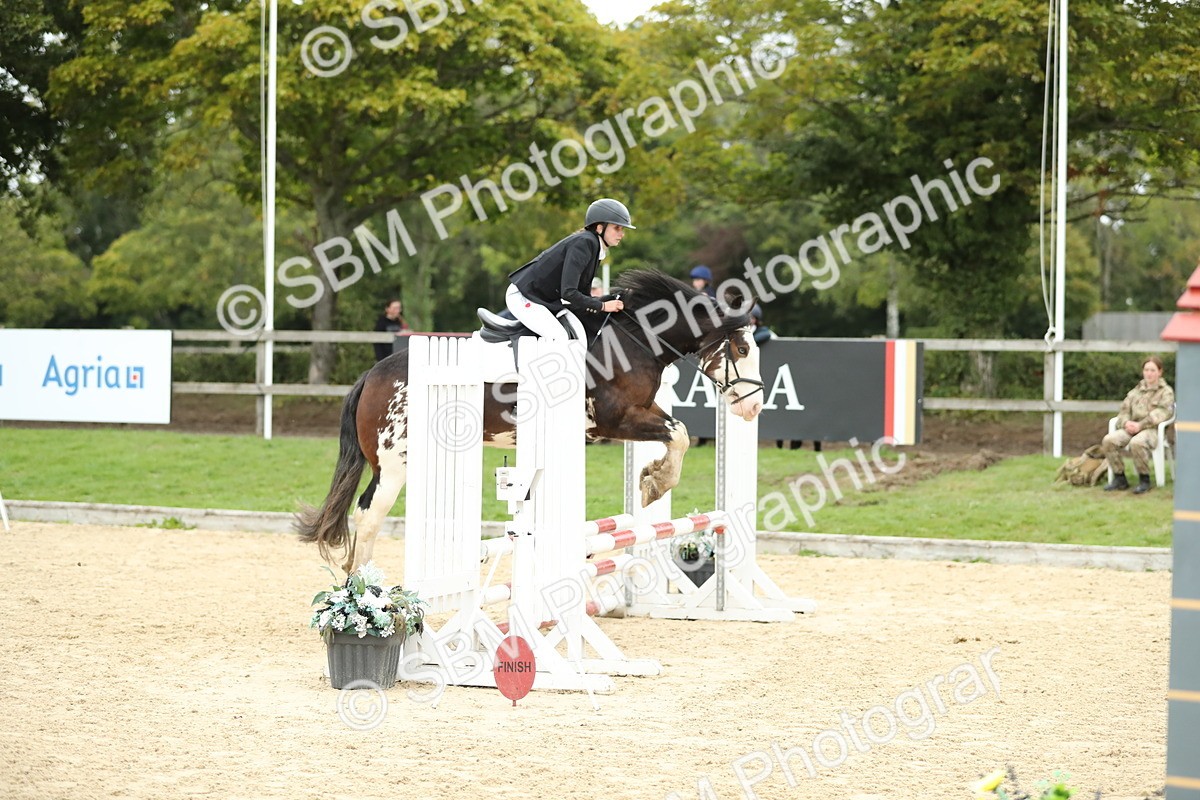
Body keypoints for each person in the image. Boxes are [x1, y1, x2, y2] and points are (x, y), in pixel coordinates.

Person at [506, 198, 629, 340]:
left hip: (542, 300)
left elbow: (582, 294)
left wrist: (609, 301)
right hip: (525, 296)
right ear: (600, 228)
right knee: (559, 337)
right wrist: (603, 306)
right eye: (617, 228)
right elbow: (569, 292)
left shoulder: (594, 246)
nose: (622, 234)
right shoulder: (585, 243)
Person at [1101, 355, 1175, 494]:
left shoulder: (1166, 392)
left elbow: (1163, 413)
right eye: (1146, 370)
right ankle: (1119, 478)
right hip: (1130, 428)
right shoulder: (1135, 392)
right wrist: (1126, 423)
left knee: (1137, 442)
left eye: (1152, 370)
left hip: (1152, 431)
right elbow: (1123, 411)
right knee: (1108, 440)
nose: (1149, 373)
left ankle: (1144, 480)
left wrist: (1140, 425)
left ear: (1160, 372)